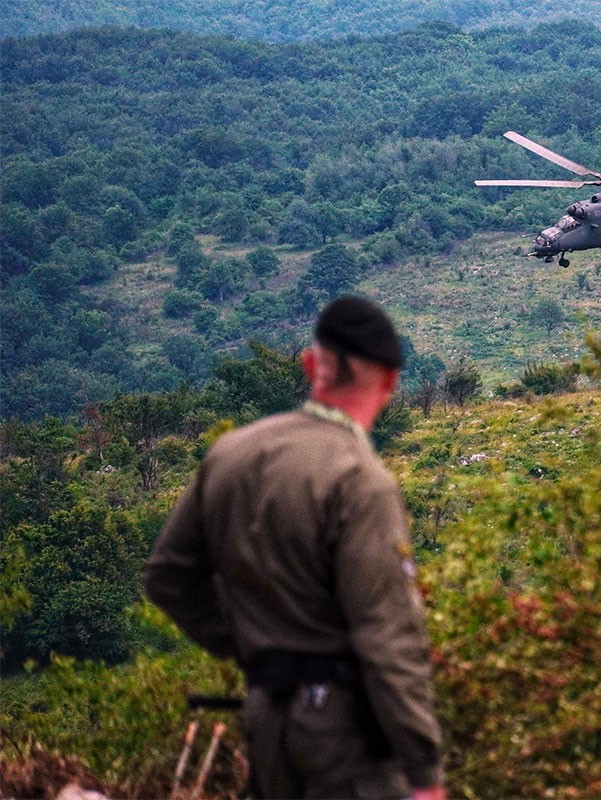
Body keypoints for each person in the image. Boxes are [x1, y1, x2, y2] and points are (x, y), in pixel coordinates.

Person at [144, 295, 445, 800]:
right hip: (344, 735)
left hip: (265, 718)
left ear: (310, 365)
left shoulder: (231, 453)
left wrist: (248, 645)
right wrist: (424, 769)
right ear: (392, 380)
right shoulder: (361, 479)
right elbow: (387, 636)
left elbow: (167, 577)